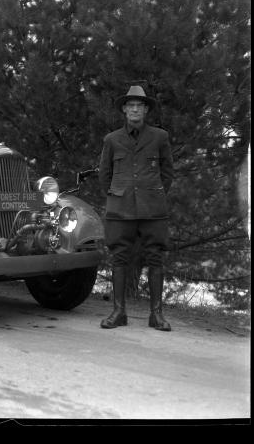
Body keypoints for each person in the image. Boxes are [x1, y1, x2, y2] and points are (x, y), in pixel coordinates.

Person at [98, 86, 175, 331]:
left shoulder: (159, 137)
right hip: (120, 209)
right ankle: (119, 312)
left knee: (156, 258)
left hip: (153, 209)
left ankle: (156, 315)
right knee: (118, 258)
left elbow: (167, 173)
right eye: (130, 105)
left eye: (139, 105)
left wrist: (151, 192)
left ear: (146, 110)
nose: (134, 109)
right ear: (124, 109)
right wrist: (119, 194)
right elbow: (104, 175)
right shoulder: (112, 139)